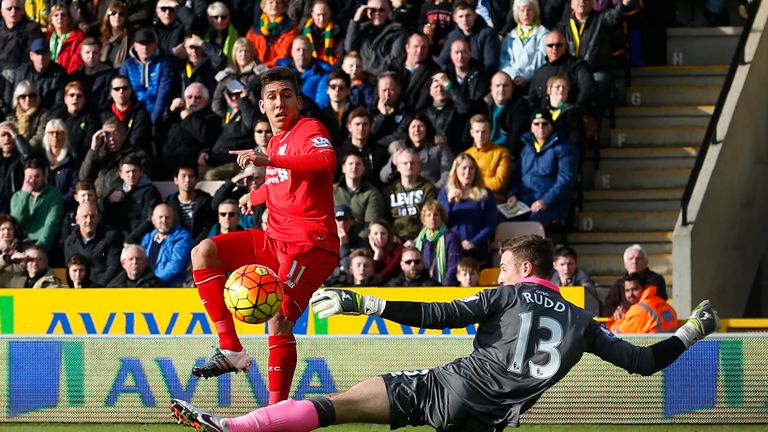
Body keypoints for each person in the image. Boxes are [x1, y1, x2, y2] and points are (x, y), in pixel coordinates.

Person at [172, 235, 721, 432]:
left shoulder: (507, 294)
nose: (499, 274)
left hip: (453, 389)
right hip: (494, 419)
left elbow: (438, 316)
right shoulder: (583, 322)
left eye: (504, 266)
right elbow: (645, 364)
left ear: (525, 271)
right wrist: (693, 331)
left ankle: (233, 427)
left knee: (338, 403)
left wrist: (363, 299)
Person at [189, 67, 339, 407]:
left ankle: (275, 414)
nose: (279, 102)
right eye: (272, 97)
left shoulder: (309, 129)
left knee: (279, 317)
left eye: (287, 95)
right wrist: (253, 197)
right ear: (261, 106)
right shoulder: (275, 142)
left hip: (311, 244)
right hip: (275, 240)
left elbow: (325, 160)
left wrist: (269, 158)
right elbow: (279, 183)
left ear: (298, 101)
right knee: (204, 252)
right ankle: (231, 349)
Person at [506, 109, 579, 228]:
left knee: (532, 225)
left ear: (551, 126)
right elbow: (517, 176)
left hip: (552, 204)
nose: (541, 127)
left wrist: (545, 201)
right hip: (524, 202)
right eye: (536, 124)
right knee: (501, 219)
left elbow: (566, 179)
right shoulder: (526, 149)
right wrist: (513, 194)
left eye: (544, 123)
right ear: (531, 127)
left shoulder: (565, 148)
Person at [437, 152, 497, 262]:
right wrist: (449, 203)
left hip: (476, 249)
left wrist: (474, 242)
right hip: (450, 249)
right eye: (464, 168)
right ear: (456, 170)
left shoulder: (485, 194)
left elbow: (490, 224)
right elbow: (439, 222)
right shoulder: (445, 194)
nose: (467, 172)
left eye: (471, 168)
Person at [79, 117, 151, 198]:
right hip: (97, 202)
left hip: (122, 201)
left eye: (115, 133)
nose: (111, 138)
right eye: (107, 134)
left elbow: (136, 183)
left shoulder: (137, 156)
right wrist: (93, 150)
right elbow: (83, 178)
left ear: (124, 135)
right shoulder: (98, 154)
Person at [100, 154, 161, 243]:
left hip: (142, 239)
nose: (131, 175)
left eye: (134, 171)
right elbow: (103, 215)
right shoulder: (114, 192)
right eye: (127, 172)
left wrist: (131, 238)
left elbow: (149, 220)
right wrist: (108, 201)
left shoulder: (150, 192)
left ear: (141, 172)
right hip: (116, 240)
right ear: (121, 174)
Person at [119, 29, 176, 124]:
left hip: (159, 114)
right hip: (134, 114)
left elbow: (163, 94)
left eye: (148, 44)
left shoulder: (163, 64)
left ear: (155, 45)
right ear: (135, 46)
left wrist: (152, 121)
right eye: (141, 44)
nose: (145, 48)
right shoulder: (127, 65)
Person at [380, 114, 453, 188]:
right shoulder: (401, 150)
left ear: (427, 128)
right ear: (408, 130)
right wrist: (392, 164)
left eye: (420, 126)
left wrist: (431, 191)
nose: (416, 130)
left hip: (432, 193)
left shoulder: (440, 148)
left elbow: (448, 175)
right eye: (413, 127)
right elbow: (383, 178)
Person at [62, 201, 122, 287]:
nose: (89, 220)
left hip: (105, 288)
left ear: (98, 218)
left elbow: (114, 266)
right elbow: (70, 270)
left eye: (92, 216)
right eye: (85, 217)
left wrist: (97, 287)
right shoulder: (70, 242)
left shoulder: (111, 236)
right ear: (77, 220)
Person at [383, 148, 438, 240]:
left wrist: (419, 239)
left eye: (413, 163)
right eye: (405, 163)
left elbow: (430, 217)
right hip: (394, 240)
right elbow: (384, 218)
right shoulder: (389, 191)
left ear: (419, 166)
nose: (409, 166)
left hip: (422, 238)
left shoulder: (428, 189)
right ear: (398, 167)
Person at [11, 157, 64, 251]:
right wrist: (25, 195)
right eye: (29, 177)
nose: (33, 181)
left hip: (42, 246)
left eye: (37, 176)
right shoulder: (17, 196)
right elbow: (16, 222)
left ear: (44, 176)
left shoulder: (54, 195)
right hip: (20, 245)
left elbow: (51, 224)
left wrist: (39, 248)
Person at [343, 0, 408, 76]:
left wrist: (372, 75)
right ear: (367, 12)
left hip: (383, 78)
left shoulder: (398, 32)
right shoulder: (362, 29)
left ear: (388, 11)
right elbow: (349, 48)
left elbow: (395, 59)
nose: (377, 13)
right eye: (373, 10)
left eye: (381, 10)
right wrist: (355, 21)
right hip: (362, 78)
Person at [602, 243, 667, 317]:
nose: (634, 262)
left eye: (639, 258)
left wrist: (626, 309)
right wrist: (616, 311)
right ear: (625, 264)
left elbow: (653, 302)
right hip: (625, 325)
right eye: (631, 259)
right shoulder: (618, 284)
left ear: (646, 262)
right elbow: (607, 307)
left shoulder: (656, 280)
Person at [333, 150, 385, 241]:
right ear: (343, 168)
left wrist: (355, 243)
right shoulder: (331, 191)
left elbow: (371, 224)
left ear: (364, 168)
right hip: (334, 239)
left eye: (358, 164)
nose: (354, 167)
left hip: (362, 243)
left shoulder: (372, 193)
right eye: (351, 164)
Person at [437, 1, 500, 73]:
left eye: (468, 15)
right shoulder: (453, 36)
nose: (465, 20)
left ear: (475, 15)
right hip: (457, 77)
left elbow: (491, 65)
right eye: (461, 16)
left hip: (481, 78)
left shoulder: (488, 34)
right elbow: (441, 62)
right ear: (455, 19)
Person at [499, 0, 548, 93]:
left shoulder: (543, 34)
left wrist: (526, 76)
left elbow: (541, 59)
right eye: (522, 10)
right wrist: (514, 76)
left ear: (535, 11)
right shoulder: (511, 35)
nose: (525, 14)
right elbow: (504, 60)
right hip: (512, 82)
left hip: (533, 83)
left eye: (529, 10)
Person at [140, 202, 194, 287]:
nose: (164, 221)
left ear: (174, 219)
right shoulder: (148, 238)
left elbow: (175, 266)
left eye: (167, 217)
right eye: (160, 217)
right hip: (147, 286)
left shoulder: (183, 237)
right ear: (153, 220)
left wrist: (153, 284)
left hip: (171, 288)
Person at [212, 37, 267, 118]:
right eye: (240, 51)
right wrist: (228, 115)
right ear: (235, 53)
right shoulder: (226, 76)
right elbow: (216, 102)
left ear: (252, 53)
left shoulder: (260, 74)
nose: (243, 54)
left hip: (252, 119)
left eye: (247, 51)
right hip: (231, 121)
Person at [464, 114, 512, 203]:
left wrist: (472, 181)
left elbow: (498, 183)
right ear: (471, 133)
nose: (480, 136)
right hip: (469, 197)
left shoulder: (502, 153)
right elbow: (460, 180)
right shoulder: (466, 155)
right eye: (477, 131)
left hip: (493, 199)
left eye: (484, 132)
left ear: (490, 132)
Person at [608, 272, 677, 334]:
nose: (630, 294)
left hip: (653, 346)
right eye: (627, 290)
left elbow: (617, 334)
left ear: (644, 288)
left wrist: (618, 320)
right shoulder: (661, 303)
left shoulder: (639, 311)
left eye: (635, 289)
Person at [413, 200, 462, 286]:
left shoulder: (451, 237)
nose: (432, 218)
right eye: (428, 215)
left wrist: (444, 286)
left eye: (435, 215)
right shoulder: (421, 239)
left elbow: (454, 266)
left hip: (445, 286)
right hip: (424, 285)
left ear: (442, 219)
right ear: (423, 220)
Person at [276, 35, 333, 108]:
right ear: (292, 52)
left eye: (305, 49)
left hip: (313, 114)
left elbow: (322, 101)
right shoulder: (281, 69)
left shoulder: (323, 71)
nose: (301, 53)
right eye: (298, 49)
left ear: (311, 52)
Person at [11, 38, 67, 112]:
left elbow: (59, 103)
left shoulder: (59, 73)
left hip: (49, 114)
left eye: (44, 53)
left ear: (50, 55)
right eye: (38, 54)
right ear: (31, 56)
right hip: (24, 113)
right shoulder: (22, 72)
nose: (41, 57)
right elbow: (17, 99)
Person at [166, 164, 216, 244]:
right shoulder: (169, 203)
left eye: (191, 176)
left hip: (200, 246)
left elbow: (208, 228)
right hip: (176, 246)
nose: (187, 180)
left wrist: (193, 245)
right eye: (183, 176)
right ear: (176, 180)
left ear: (196, 179)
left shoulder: (206, 201)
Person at [246, 0, 299, 68]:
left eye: (278, 2)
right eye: (271, 2)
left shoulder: (290, 29)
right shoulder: (253, 31)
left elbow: (284, 54)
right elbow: (248, 51)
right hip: (255, 69)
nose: (274, 5)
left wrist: (265, 66)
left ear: (283, 7)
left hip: (280, 69)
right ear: (264, 7)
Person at [550, 245, 600, 315]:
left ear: (576, 264)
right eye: (562, 264)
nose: (566, 268)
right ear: (555, 265)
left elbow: (593, 310)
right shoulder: (549, 285)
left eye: (570, 264)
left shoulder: (587, 286)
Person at [8, 80, 52, 150]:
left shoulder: (44, 114)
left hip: (35, 152)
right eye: (23, 96)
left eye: (31, 96)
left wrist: (25, 149)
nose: (27, 99)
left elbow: (40, 136)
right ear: (18, 98)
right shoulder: (10, 117)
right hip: (14, 153)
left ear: (36, 97)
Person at [46, 4, 85, 74]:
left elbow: (76, 62)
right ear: (51, 20)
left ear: (69, 18)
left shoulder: (78, 37)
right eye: (56, 15)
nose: (60, 17)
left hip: (67, 77)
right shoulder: (47, 37)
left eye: (63, 15)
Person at [0, 122, 27, 214]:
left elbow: (28, 155)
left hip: (15, 204)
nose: (7, 138)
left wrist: (15, 134)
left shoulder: (20, 158)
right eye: (3, 135)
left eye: (10, 135)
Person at [0, 213, 31, 287]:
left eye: (10, 229)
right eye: (2, 229)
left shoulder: (26, 248)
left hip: (19, 292)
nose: (6, 232)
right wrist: (6, 257)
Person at [367, 218, 402, 285]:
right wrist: (377, 254)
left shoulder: (399, 250)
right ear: (369, 236)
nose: (379, 237)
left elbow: (390, 271)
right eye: (375, 234)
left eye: (383, 233)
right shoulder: (366, 251)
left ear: (389, 235)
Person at [99, 1, 131, 69]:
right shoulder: (101, 39)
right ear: (108, 16)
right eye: (113, 13)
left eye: (121, 14)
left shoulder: (130, 39)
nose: (117, 16)